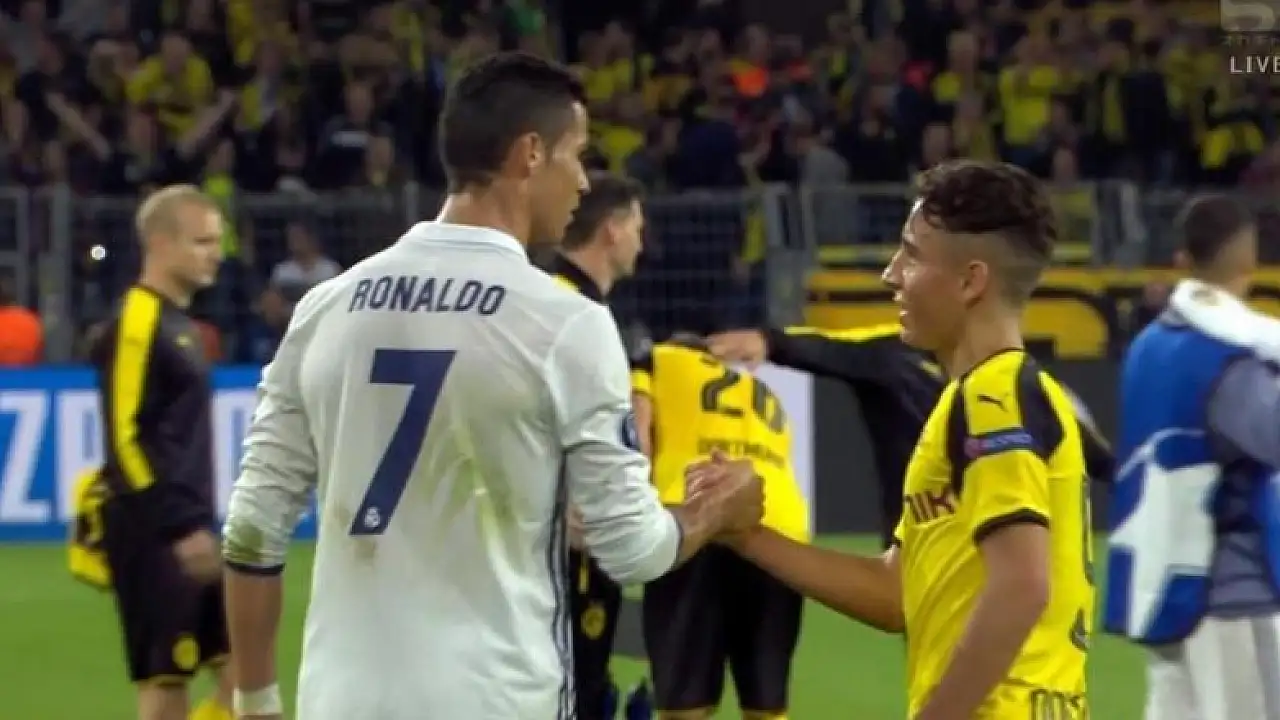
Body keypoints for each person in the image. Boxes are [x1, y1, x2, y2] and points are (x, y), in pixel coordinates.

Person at [219, 52, 763, 720]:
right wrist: (718, 509)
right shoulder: (565, 322)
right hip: (496, 695)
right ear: (530, 154)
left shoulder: (327, 306)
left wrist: (255, 699)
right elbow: (631, 547)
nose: (583, 182)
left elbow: (252, 526)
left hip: (341, 699)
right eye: (577, 155)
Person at [720, 160, 1094, 719]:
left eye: (912, 255)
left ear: (971, 281)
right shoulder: (970, 400)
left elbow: (1022, 584)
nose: (891, 274)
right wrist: (745, 534)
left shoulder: (994, 398)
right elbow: (897, 594)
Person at [1104, 195, 1280, 720]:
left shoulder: (1149, 345)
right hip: (1229, 593)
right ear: (1249, 256)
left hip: (1162, 583)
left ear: (1184, 257)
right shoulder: (1229, 360)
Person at [707, 324, 1114, 546]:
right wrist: (771, 341)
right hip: (922, 545)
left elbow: (1093, 453)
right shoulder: (892, 356)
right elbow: (831, 350)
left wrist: (1118, 471)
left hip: (995, 539)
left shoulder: (1019, 375)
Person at [84, 184, 232, 720]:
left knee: (242, 675)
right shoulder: (138, 323)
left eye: (216, 242)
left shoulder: (180, 325)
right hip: (156, 532)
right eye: (202, 242)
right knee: (166, 685)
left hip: (191, 527)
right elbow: (124, 436)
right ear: (161, 244)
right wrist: (177, 527)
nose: (216, 254)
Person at [631, 335, 808, 720]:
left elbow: (637, 433)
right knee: (766, 703)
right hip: (778, 525)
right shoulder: (760, 391)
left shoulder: (656, 360)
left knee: (684, 704)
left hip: (695, 514)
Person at [547, 171, 647, 720]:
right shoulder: (566, 309)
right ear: (611, 230)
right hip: (564, 547)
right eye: (636, 227)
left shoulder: (570, 302)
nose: (641, 242)